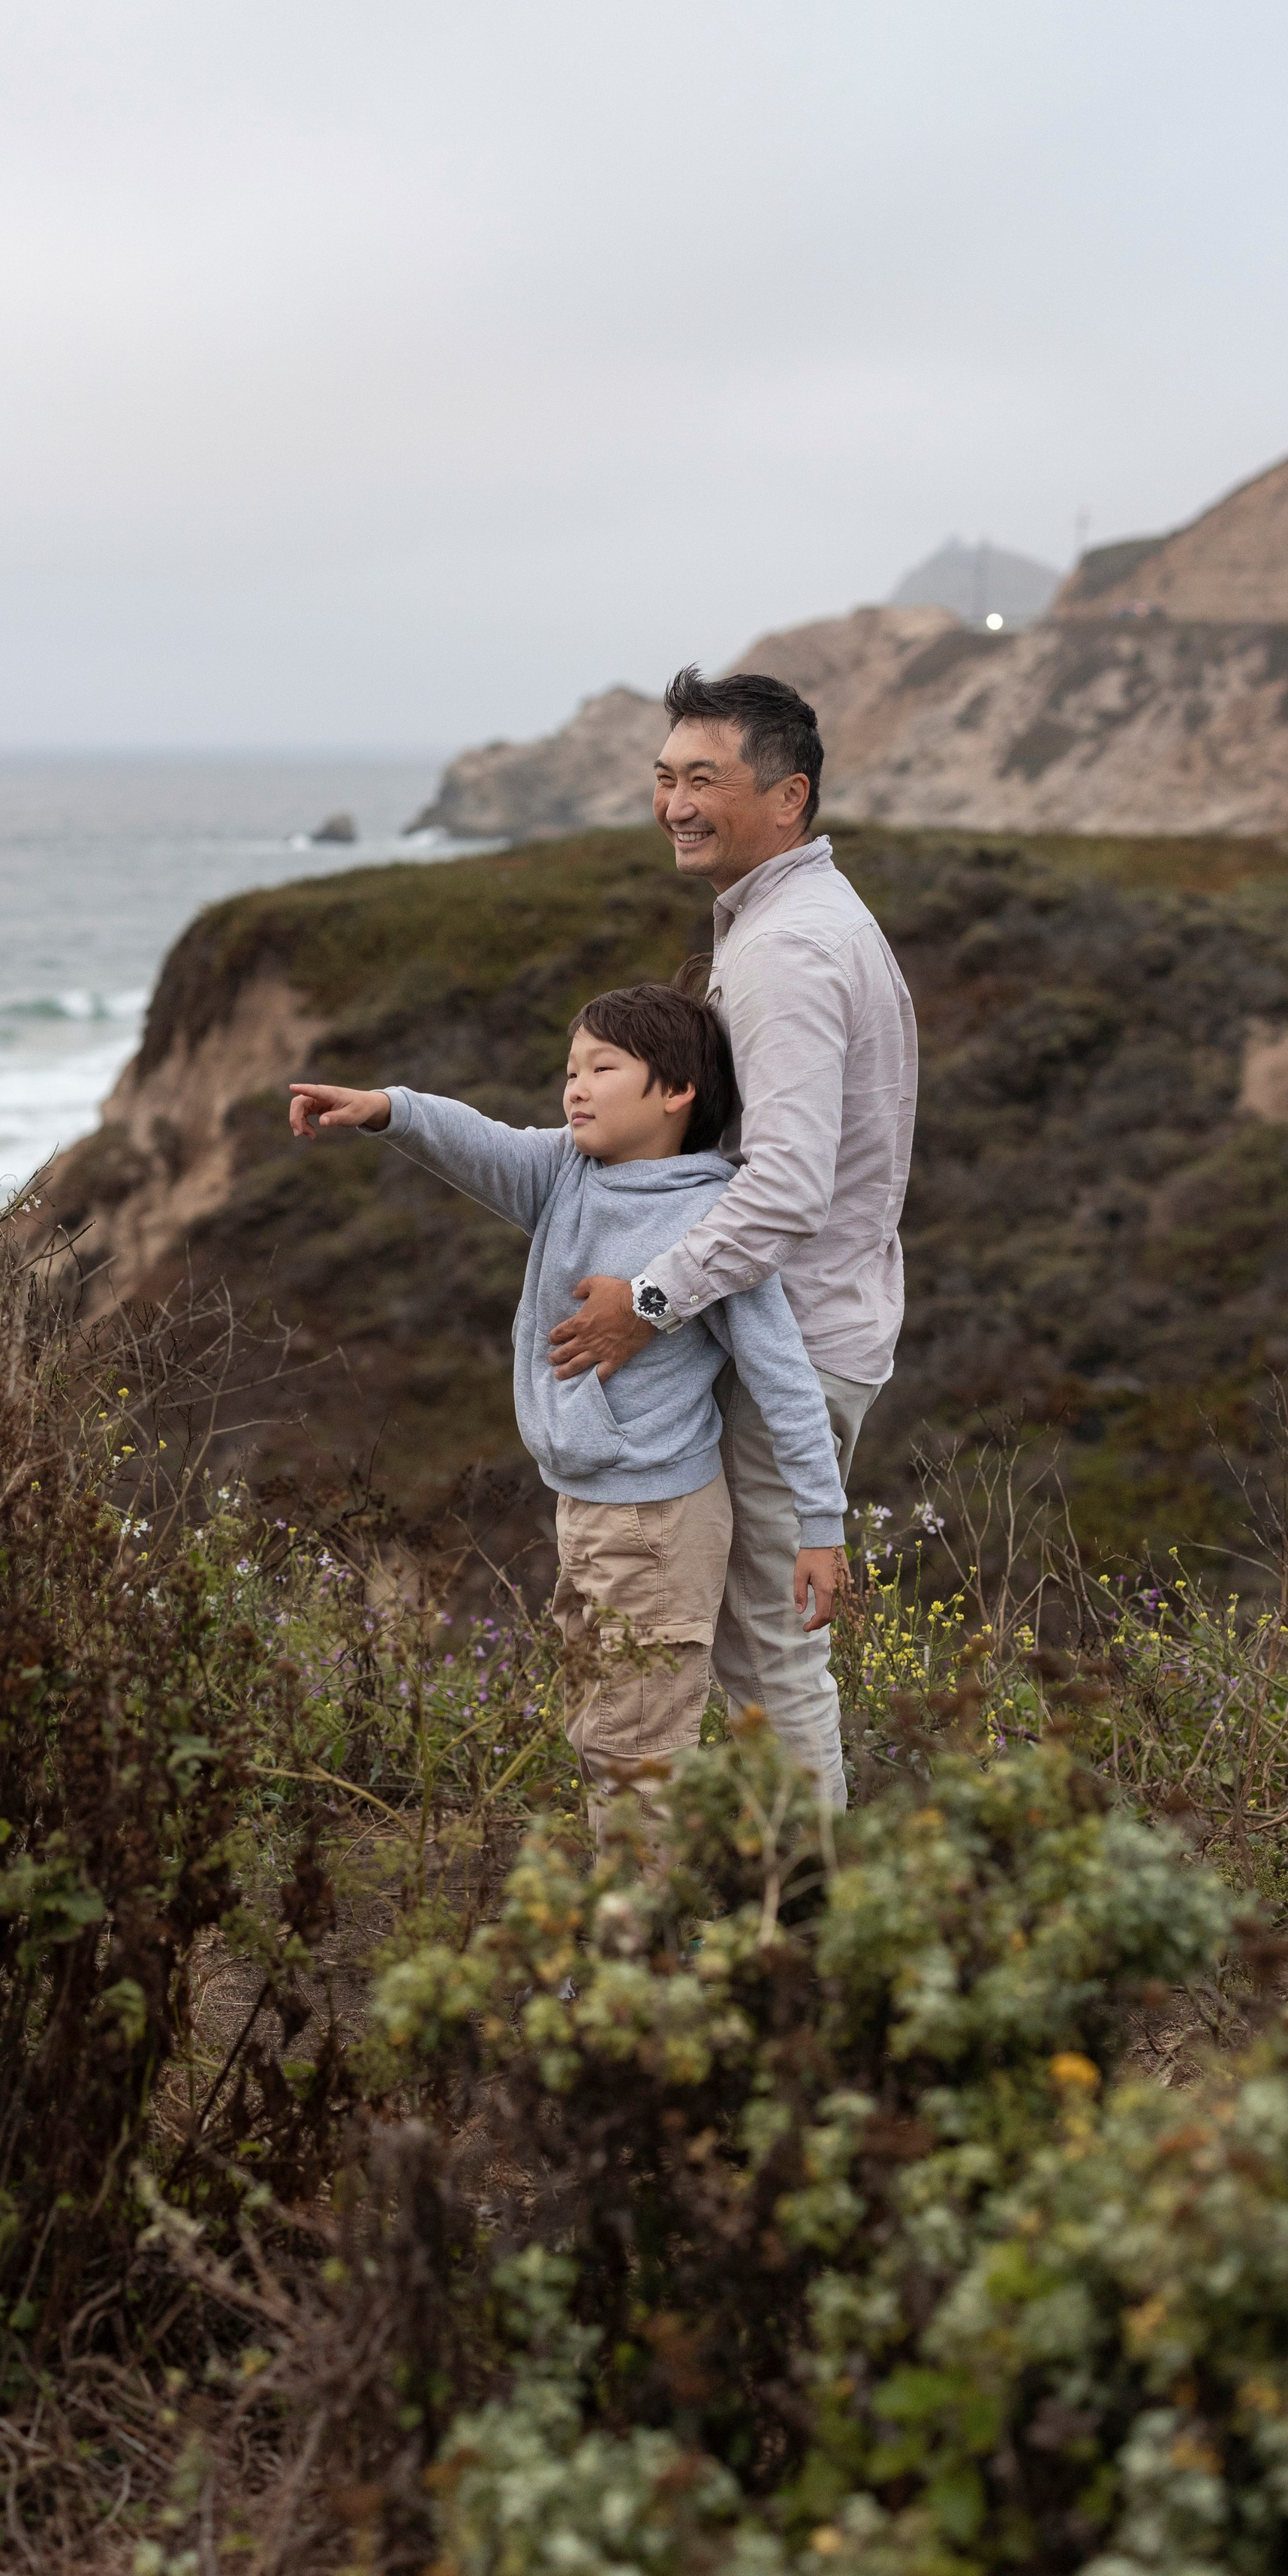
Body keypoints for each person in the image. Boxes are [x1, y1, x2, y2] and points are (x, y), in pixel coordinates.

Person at [287, 982, 847, 1840]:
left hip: (658, 1519)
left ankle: (638, 1947)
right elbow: (480, 1142)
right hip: (585, 1504)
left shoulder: (713, 1223)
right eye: (569, 1070)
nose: (574, 1087)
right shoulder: (564, 1173)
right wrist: (384, 1111)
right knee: (599, 1726)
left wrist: (820, 1523)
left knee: (637, 1745)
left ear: (675, 1092)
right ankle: (642, 1922)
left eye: (602, 1068)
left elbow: (782, 1378)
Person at [544, 667, 918, 1812]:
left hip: (792, 1338)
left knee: (768, 1654)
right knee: (763, 1651)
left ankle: (802, 1929)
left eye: (705, 779)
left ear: (788, 798)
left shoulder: (786, 952)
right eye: (664, 778)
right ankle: (783, 1909)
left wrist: (644, 1301)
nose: (675, 804)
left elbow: (786, 1187)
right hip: (811, 1324)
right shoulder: (800, 921)